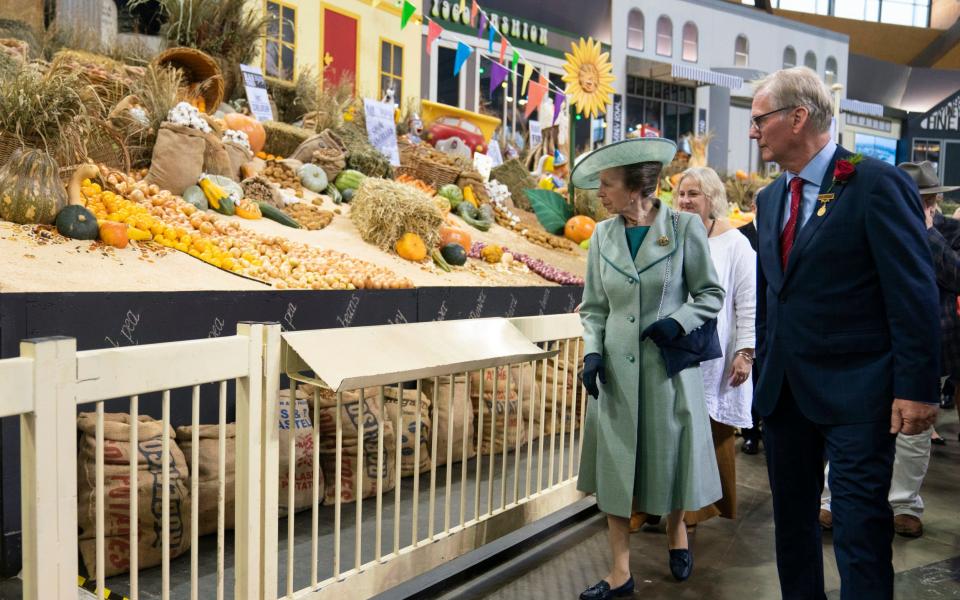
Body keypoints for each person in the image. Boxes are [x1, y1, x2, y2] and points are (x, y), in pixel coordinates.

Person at [750, 67, 940, 600]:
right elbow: (775, 295)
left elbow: (913, 291)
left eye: (760, 118)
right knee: (792, 529)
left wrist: (918, 386)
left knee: (859, 532)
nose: (753, 130)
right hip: (785, 396)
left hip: (860, 395)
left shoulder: (875, 184)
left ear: (798, 117)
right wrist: (763, 369)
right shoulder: (770, 200)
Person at [574, 137, 725, 599]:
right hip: (616, 373)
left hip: (667, 370)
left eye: (607, 184)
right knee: (618, 469)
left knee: (671, 456)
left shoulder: (682, 228)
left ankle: (678, 530)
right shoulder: (602, 235)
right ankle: (620, 572)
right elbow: (593, 308)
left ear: (637, 186)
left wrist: (678, 324)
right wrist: (591, 351)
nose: (599, 194)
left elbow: (710, 295)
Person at [820, 161, 960, 539]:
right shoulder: (871, 225)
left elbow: (956, 277)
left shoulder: (950, 232)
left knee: (914, 433)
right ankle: (831, 500)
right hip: (871, 346)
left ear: (931, 202)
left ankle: (904, 504)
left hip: (929, 349)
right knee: (852, 426)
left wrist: (926, 234)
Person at [675, 166, 756, 529]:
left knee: (709, 428)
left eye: (694, 194)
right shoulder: (670, 235)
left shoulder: (735, 243)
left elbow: (748, 301)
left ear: (712, 199)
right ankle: (664, 505)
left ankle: (700, 506)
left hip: (717, 352)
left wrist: (745, 351)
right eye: (681, 194)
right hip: (676, 347)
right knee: (672, 427)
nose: (686, 200)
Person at [736, 193, 764, 455]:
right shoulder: (740, 235)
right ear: (753, 207)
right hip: (747, 314)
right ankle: (750, 432)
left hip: (770, 316)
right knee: (751, 377)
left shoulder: (778, 233)